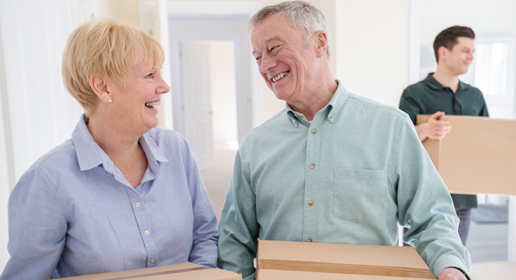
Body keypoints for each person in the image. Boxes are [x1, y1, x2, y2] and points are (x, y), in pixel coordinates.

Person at [217, 2, 471, 280]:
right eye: (257, 56)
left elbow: (432, 216)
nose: (265, 65)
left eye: (274, 48)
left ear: (319, 43)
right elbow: (235, 240)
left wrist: (450, 268)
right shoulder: (255, 145)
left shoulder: (390, 128)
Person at [0, 18, 218, 280]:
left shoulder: (176, 149)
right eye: (150, 75)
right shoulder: (47, 181)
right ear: (103, 87)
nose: (164, 86)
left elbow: (204, 234)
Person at [399, 26, 489, 246]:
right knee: (419, 263)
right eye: (465, 50)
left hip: (463, 196)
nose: (471, 57)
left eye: (473, 52)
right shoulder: (414, 94)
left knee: (456, 261)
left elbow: (487, 143)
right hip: (422, 197)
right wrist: (424, 130)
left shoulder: (475, 96)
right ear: (443, 52)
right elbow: (398, 144)